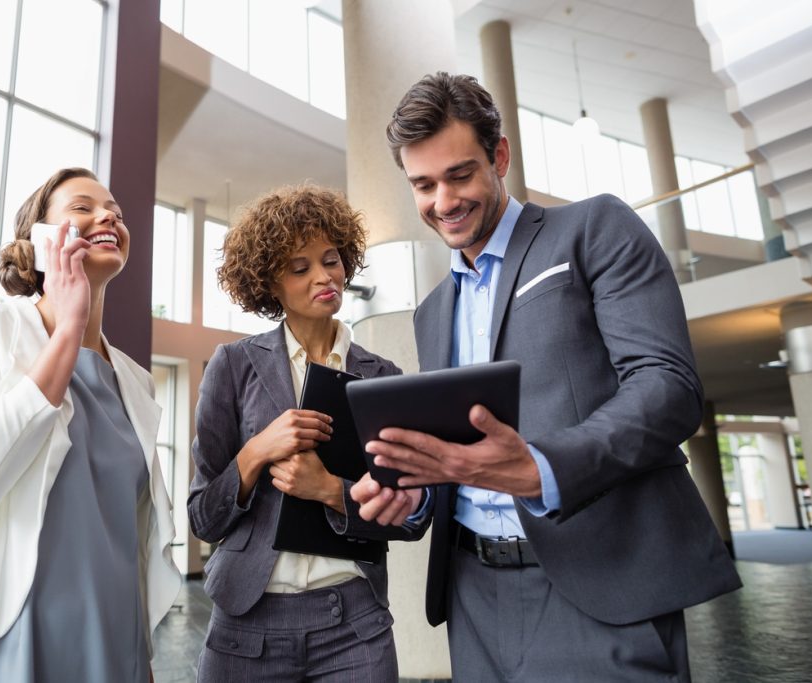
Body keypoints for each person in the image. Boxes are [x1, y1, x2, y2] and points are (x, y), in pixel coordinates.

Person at [351, 73, 741, 682]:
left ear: (499, 155)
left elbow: (667, 387)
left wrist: (542, 468)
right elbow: (462, 457)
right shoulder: (432, 312)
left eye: (459, 175)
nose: (443, 202)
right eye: (423, 185)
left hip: (602, 586)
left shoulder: (593, 230)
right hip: (472, 599)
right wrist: (415, 494)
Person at [0, 168, 181, 682]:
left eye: (116, 212)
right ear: (42, 239)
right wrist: (69, 326)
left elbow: (132, 531)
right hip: (9, 627)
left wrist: (138, 653)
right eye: (83, 207)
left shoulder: (136, 381)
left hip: (109, 632)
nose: (108, 217)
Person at [188, 185, 425, 682]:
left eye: (331, 260)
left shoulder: (383, 378)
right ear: (269, 284)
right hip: (245, 624)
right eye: (300, 268)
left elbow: (411, 520)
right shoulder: (233, 367)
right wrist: (254, 454)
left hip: (355, 624)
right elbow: (203, 517)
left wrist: (329, 491)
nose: (324, 277)